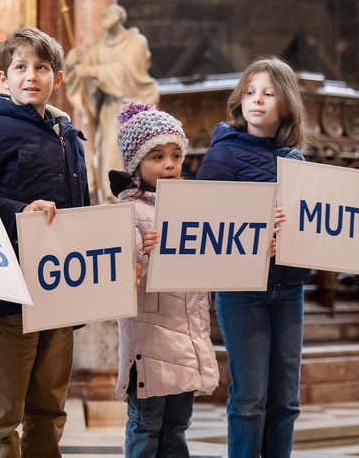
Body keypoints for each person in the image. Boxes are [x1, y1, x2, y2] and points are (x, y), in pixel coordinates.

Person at [196, 57, 359, 458]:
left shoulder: (296, 162)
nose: (256, 100)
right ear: (239, 100)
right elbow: (204, 226)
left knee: (286, 401)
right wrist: (254, 238)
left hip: (289, 289)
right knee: (250, 400)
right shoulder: (222, 156)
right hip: (242, 292)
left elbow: (320, 226)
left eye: (268, 93)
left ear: (286, 104)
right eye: (250, 92)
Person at [0, 27, 90, 457]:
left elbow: (81, 208)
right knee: (1, 415)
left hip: (60, 286)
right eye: (20, 67)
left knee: (49, 410)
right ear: (3, 77)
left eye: (42, 67)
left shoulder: (68, 134)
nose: (31, 76)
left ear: (58, 78)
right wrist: (20, 211)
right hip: (8, 287)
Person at [110, 103, 219, 457]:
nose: (170, 164)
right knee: (146, 427)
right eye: (157, 156)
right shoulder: (128, 210)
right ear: (136, 165)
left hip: (187, 336)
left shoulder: (194, 207)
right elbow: (119, 276)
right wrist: (142, 251)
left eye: (176, 155)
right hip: (150, 341)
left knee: (176, 428)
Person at [65, 4, 159, 204]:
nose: (104, 19)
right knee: (107, 156)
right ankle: (109, 200)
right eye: (103, 16)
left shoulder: (136, 42)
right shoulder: (99, 46)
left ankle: (131, 200)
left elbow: (128, 75)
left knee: (123, 157)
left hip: (132, 111)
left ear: (118, 18)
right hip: (109, 111)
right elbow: (84, 74)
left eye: (108, 15)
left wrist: (93, 71)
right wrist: (72, 65)